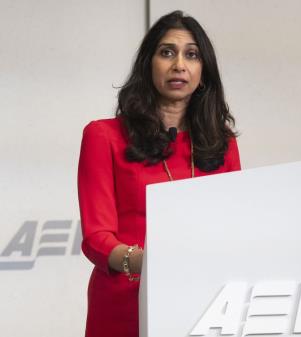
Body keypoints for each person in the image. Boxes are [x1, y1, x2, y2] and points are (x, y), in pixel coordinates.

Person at [77, 10, 241, 337]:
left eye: (191, 54)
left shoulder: (222, 145)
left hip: (203, 302)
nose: (179, 63)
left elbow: (235, 230)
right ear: (148, 65)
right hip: (126, 301)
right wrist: (148, 262)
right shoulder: (103, 136)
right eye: (167, 52)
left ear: (203, 72)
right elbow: (96, 238)